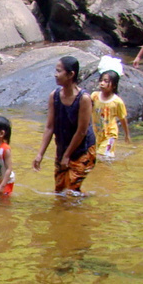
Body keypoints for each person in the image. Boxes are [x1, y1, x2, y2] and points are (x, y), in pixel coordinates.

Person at [32, 56, 96, 194]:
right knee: (60, 190)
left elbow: (81, 131)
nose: (55, 74)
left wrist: (67, 156)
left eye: (59, 71)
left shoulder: (84, 99)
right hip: (63, 146)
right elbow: (49, 127)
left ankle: (82, 210)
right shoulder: (54, 96)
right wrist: (40, 154)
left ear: (71, 74)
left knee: (71, 190)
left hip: (83, 149)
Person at [91, 70, 130, 158]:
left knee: (102, 157)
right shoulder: (94, 96)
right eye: (101, 80)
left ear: (114, 85)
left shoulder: (117, 102)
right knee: (95, 156)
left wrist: (127, 135)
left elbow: (122, 119)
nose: (102, 83)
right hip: (96, 133)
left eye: (106, 81)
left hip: (110, 134)